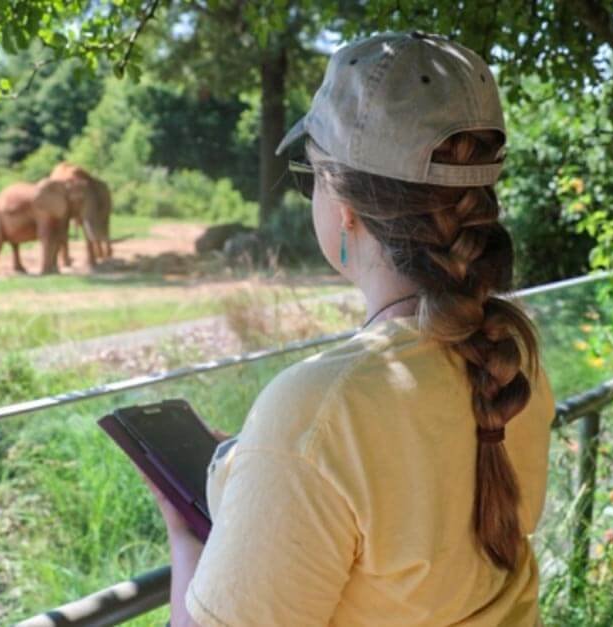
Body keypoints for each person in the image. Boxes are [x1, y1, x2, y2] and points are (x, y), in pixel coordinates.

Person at [145, 31, 555, 626]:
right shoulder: (510, 352)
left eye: (310, 172)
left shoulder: (317, 413)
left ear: (344, 206)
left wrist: (189, 541)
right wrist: (269, 464)